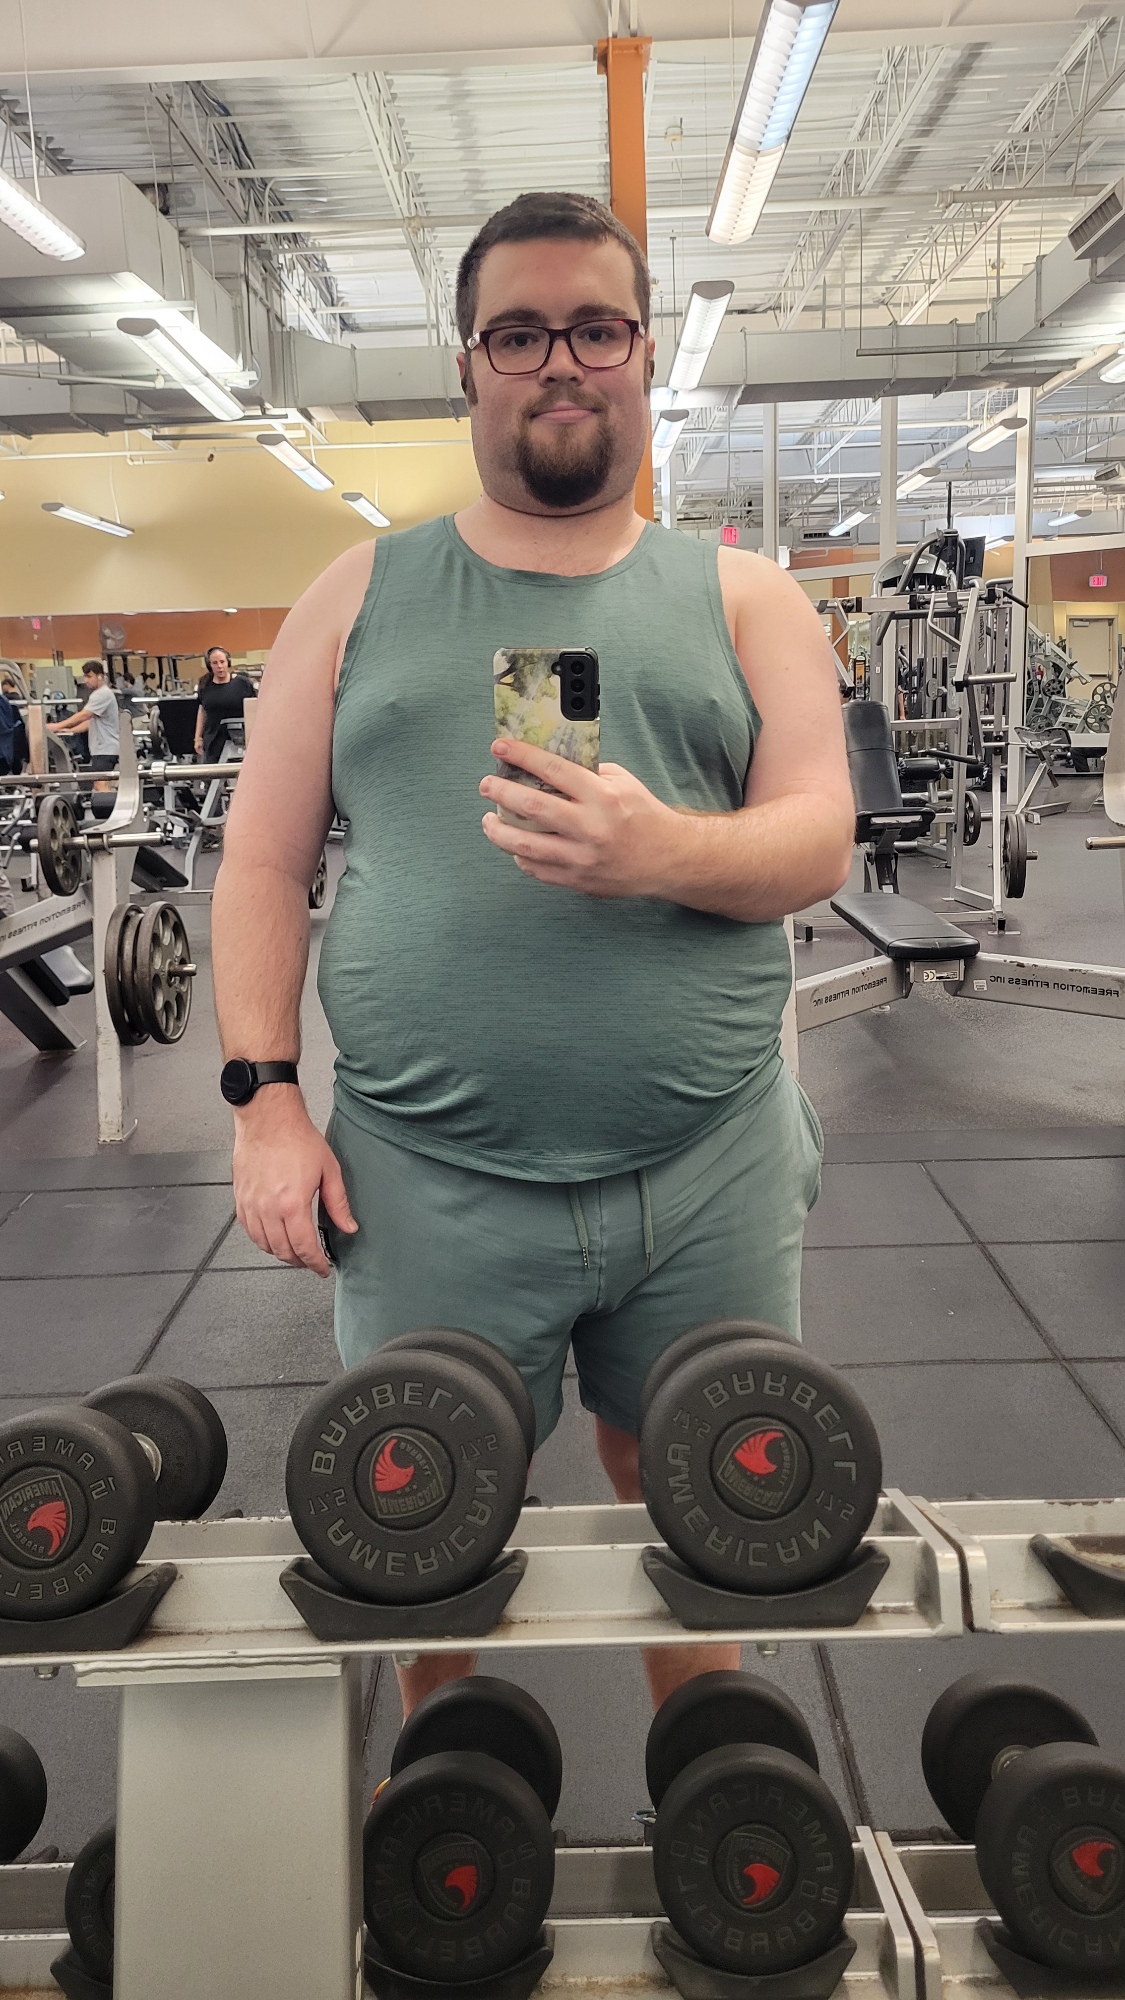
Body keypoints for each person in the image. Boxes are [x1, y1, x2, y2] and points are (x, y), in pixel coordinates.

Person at [213, 190, 854, 1718]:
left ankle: (715, 1783)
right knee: (420, 1516)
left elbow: (818, 838)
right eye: (517, 333)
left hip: (705, 1161)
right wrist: (264, 1100)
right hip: (424, 1175)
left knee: (704, 1500)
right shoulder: (355, 595)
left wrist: (662, 852)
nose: (559, 360)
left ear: (642, 354)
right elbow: (260, 861)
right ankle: (445, 1808)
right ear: (468, 365)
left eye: (595, 328)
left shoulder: (746, 597)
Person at [46, 660, 119, 775]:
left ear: (100, 676)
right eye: (85, 676)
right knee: (99, 782)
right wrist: (70, 730)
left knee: (101, 783)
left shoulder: (102, 694)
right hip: (101, 749)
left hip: (105, 750)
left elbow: (84, 715)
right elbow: (89, 722)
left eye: (89, 676)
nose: (86, 680)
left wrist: (57, 726)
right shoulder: (99, 694)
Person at [194, 647, 255, 761]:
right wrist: (198, 738)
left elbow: (254, 709)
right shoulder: (205, 685)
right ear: (209, 665)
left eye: (222, 662)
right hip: (213, 741)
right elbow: (202, 711)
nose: (219, 666)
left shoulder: (243, 683)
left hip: (241, 741)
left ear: (228, 662)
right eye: (215, 663)